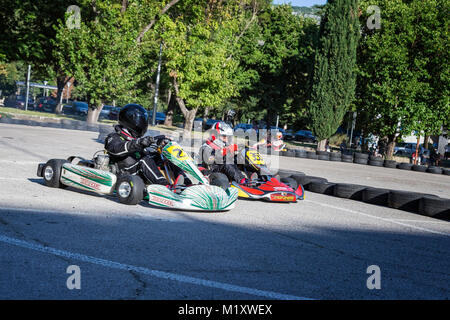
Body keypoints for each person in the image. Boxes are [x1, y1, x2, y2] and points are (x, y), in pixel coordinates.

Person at [104, 103, 173, 185]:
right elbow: (117, 149)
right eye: (140, 120)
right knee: (144, 160)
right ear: (130, 120)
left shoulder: (135, 139)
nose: (143, 123)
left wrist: (160, 143)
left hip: (139, 172)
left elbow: (147, 152)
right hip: (125, 173)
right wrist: (139, 143)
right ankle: (164, 186)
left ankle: (185, 185)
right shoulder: (113, 137)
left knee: (165, 157)